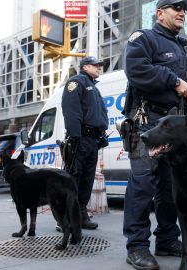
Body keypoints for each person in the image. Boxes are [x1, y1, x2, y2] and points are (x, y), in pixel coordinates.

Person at [122, 0, 187, 269]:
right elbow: (136, 70)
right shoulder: (144, 38)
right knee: (143, 183)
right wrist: (173, 80)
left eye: (185, 9)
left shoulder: (185, 47)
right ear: (160, 13)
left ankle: (167, 238)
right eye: (176, 7)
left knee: (170, 186)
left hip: (175, 128)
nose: (182, 12)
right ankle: (137, 246)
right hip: (147, 122)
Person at [61, 56, 109, 230]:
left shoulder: (93, 87)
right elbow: (71, 111)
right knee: (73, 179)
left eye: (100, 66)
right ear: (85, 66)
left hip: (92, 140)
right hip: (80, 138)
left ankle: (80, 215)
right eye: (96, 65)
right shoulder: (77, 82)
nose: (99, 68)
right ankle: (66, 219)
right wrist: (75, 137)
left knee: (87, 180)